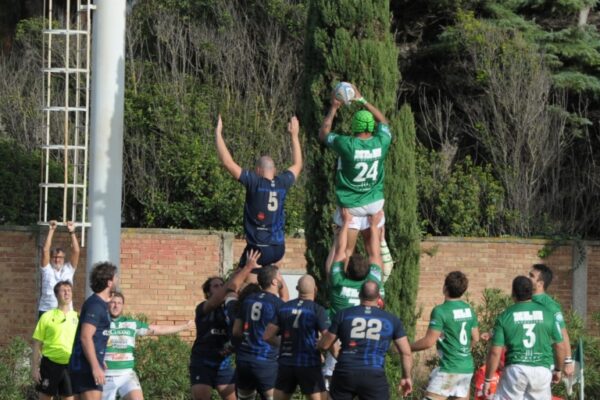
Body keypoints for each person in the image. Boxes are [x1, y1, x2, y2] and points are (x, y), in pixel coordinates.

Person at [319, 84, 393, 278]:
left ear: (354, 127)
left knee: (344, 251)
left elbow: (324, 134)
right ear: (371, 127)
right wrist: (362, 100)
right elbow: (383, 121)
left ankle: (341, 287)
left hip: (350, 206)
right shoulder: (381, 142)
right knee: (373, 253)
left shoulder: (347, 144)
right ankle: (376, 288)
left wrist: (334, 108)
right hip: (374, 204)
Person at [215, 114, 302, 267]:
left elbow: (228, 162)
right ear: (274, 170)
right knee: (267, 276)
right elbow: (298, 165)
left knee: (240, 277)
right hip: (279, 248)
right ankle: (274, 279)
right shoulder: (282, 182)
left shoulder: (254, 182)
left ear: (258, 170)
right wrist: (294, 136)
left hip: (259, 249)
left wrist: (218, 134)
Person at [318, 280, 412, 400]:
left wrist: (319, 344)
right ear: (379, 297)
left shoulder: (343, 315)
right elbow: (406, 353)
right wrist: (406, 377)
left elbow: (325, 344)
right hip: (374, 374)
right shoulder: (391, 320)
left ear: (359, 294)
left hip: (345, 372)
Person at [323, 209, 384, 383]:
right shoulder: (370, 286)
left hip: (338, 348)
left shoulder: (338, 281)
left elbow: (342, 251)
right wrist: (374, 227)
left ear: (346, 271)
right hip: (364, 355)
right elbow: (374, 254)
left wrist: (346, 224)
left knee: (332, 387)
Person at [190, 250, 260, 400]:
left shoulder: (232, 308)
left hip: (223, 364)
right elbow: (226, 291)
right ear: (208, 293)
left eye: (221, 285)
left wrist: (244, 270)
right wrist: (246, 268)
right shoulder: (203, 308)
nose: (220, 287)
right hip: (202, 362)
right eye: (216, 286)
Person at [483, 276, 565, 399]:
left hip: (516, 369)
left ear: (513, 293)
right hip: (542, 370)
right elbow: (560, 346)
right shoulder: (548, 314)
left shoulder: (505, 316)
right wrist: (558, 369)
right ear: (532, 292)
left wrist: (488, 379)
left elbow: (495, 352)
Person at [102, 292, 193, 400]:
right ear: (108, 304)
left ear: (123, 305)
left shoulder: (131, 324)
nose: (116, 306)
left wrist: (184, 327)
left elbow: (158, 329)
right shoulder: (99, 323)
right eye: (113, 302)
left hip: (126, 374)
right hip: (104, 374)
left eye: (119, 303)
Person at [410, 271, 480, 400]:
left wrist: (407, 348)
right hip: (466, 368)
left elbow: (428, 342)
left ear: (445, 288)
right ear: (463, 291)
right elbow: (476, 338)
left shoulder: (440, 311)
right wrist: (463, 351)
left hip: (450, 369)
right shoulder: (469, 310)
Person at [263, 275, 330, 400]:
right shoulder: (317, 310)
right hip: (308, 363)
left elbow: (267, 336)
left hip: (286, 362)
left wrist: (283, 344)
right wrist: (320, 346)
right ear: (315, 289)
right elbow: (328, 338)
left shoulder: (284, 307)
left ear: (297, 288)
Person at [232, 264, 289, 400]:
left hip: (244, 360)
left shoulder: (248, 300)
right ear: (274, 281)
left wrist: (251, 336)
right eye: (280, 277)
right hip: (265, 360)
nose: (281, 279)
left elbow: (236, 331)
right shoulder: (278, 304)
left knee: (245, 398)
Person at [69, 262, 118, 400]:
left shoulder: (100, 304)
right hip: (85, 366)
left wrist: (99, 360)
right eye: (116, 277)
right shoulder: (95, 305)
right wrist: (95, 366)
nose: (117, 280)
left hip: (86, 364)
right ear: (109, 282)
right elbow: (85, 337)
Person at [32, 281, 79, 400]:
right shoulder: (47, 316)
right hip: (50, 364)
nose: (67, 293)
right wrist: (34, 368)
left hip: (69, 365)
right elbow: (37, 343)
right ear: (56, 295)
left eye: (69, 291)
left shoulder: (77, 317)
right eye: (63, 291)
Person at [529, 263, 574, 377]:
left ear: (540, 283)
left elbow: (562, 333)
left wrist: (568, 361)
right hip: (522, 362)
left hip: (543, 364)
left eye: (531, 276)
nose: (527, 278)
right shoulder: (523, 299)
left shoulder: (550, 306)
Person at [39, 220, 80, 318]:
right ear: (51, 258)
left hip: (66, 312)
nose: (57, 260)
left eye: (60, 257)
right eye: (55, 257)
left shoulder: (69, 269)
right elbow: (45, 250)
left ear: (64, 258)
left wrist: (72, 232)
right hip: (47, 310)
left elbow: (76, 251)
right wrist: (51, 230)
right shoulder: (47, 269)